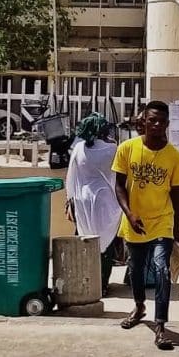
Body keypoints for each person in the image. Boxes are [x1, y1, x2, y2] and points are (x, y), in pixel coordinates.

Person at [113, 101, 179, 350]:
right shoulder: (127, 149)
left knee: (161, 269)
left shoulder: (174, 157)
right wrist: (129, 213)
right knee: (135, 270)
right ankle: (139, 306)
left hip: (162, 222)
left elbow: (177, 194)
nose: (156, 125)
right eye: (152, 120)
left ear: (167, 124)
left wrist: (176, 225)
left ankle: (161, 326)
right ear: (143, 121)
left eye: (161, 121)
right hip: (135, 220)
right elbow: (119, 185)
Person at [66, 113, 121, 296]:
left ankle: (85, 280)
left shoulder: (79, 148)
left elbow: (71, 176)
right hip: (106, 201)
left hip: (82, 200)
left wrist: (70, 201)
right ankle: (102, 284)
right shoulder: (112, 149)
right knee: (106, 243)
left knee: (84, 240)